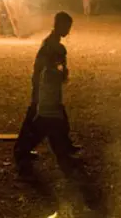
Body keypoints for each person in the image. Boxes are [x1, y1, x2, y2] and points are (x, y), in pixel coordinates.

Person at [14, 11, 79, 176]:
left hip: (46, 88)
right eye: (67, 27)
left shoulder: (54, 43)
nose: (68, 31)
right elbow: (43, 68)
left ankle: (63, 148)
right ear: (59, 25)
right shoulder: (51, 45)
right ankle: (23, 150)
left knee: (54, 119)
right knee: (41, 122)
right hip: (45, 89)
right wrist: (40, 87)